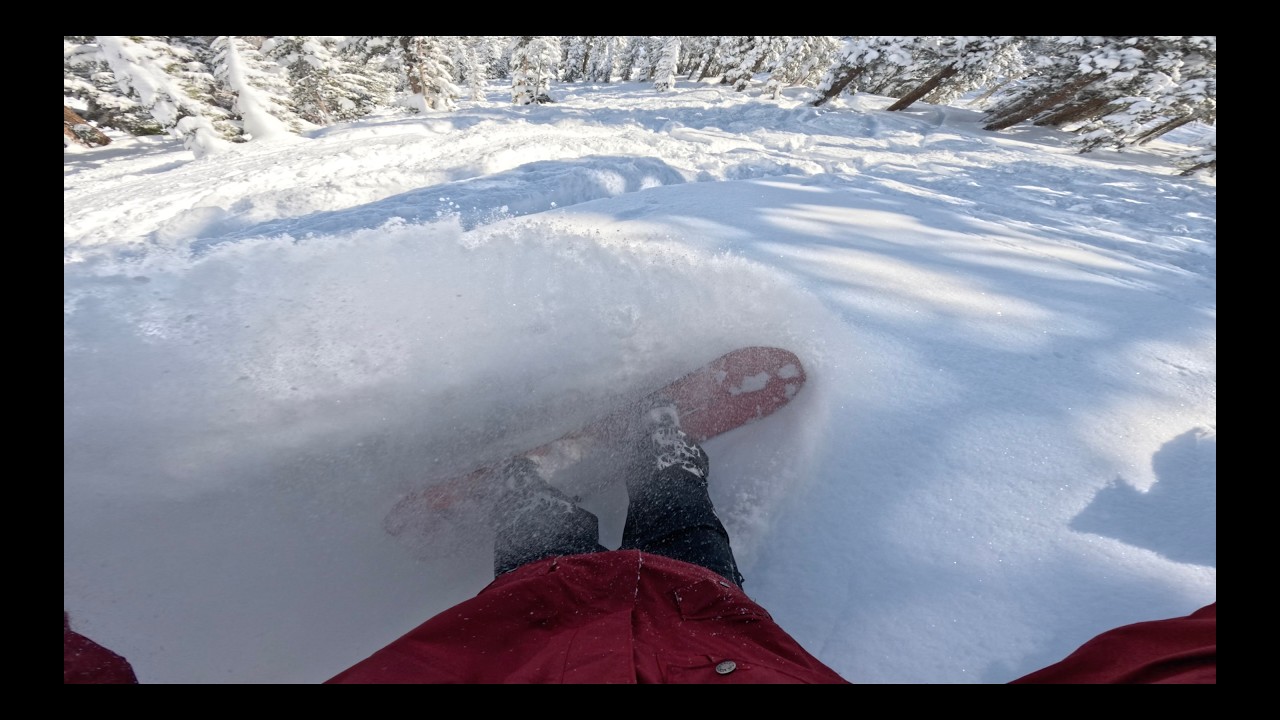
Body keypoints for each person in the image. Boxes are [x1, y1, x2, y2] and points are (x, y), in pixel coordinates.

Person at [64, 404, 1217, 684]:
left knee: (544, 550)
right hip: (704, 628)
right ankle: (656, 450)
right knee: (680, 530)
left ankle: (520, 482)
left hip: (518, 637)